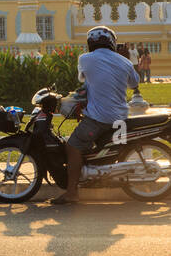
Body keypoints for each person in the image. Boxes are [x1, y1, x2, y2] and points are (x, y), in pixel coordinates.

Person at [53, 26, 136, 205]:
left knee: (72, 146)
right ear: (112, 42)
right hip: (121, 117)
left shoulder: (85, 59)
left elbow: (83, 80)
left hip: (100, 119)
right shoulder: (125, 62)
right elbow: (134, 82)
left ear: (91, 43)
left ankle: (71, 192)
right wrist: (124, 59)